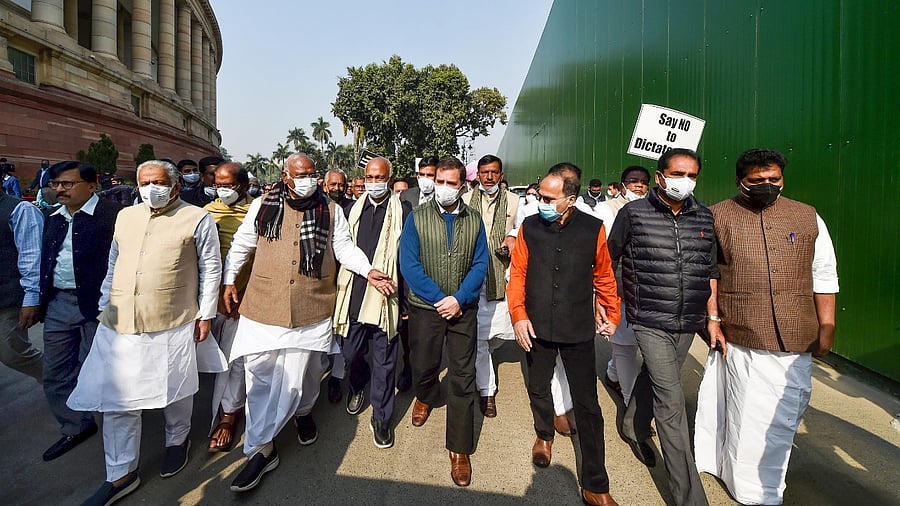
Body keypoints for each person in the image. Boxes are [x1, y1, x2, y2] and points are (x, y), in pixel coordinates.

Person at [223, 153, 394, 492]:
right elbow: (243, 244)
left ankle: (302, 413)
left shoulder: (331, 210)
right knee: (259, 379)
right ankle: (262, 449)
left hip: (310, 308)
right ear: (286, 177)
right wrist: (229, 279)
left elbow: (344, 248)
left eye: (312, 173)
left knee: (304, 377)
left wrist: (368, 270)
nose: (307, 179)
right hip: (262, 308)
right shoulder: (263, 205)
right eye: (300, 174)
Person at [67, 159, 220, 506]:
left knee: (175, 389)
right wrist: (106, 303)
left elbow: (211, 268)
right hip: (119, 321)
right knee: (117, 400)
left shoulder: (196, 218)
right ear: (137, 186)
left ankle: (177, 441)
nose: (153, 188)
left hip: (173, 319)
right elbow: (114, 263)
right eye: (146, 182)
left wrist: (206, 314)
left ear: (176, 185)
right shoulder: (126, 216)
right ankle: (120, 474)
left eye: (160, 181)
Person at [694, 149, 839, 505]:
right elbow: (708, 275)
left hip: (795, 335)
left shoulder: (808, 217)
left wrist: (828, 324)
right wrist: (712, 319)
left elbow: (823, 273)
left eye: (773, 180)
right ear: (739, 181)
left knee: (784, 413)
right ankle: (753, 490)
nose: (767, 186)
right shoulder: (718, 216)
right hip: (741, 333)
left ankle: (762, 483)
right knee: (745, 413)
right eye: (757, 181)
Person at [508, 162, 621, 506]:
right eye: (540, 195)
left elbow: (604, 276)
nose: (540, 201)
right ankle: (544, 435)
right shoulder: (529, 227)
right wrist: (518, 316)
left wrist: (611, 313)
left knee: (588, 405)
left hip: (577, 328)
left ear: (570, 199)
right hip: (536, 326)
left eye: (548, 197)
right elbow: (518, 275)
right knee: (538, 386)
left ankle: (595, 483)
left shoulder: (593, 229)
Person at [607, 148, 715, 506]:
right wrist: (612, 301)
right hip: (649, 317)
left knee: (654, 377)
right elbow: (609, 258)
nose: (685, 181)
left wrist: (711, 319)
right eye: (678, 173)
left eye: (692, 175)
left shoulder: (705, 216)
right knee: (671, 401)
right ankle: (690, 498)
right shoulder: (633, 213)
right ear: (660, 176)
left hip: (688, 319)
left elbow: (711, 271)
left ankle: (632, 424)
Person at [398, 156, 488, 487]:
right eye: (440, 182)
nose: (445, 189)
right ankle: (425, 395)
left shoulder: (474, 220)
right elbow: (409, 264)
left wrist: (459, 298)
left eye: (452, 183)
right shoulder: (417, 219)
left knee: (463, 377)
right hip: (426, 307)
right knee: (423, 365)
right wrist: (439, 298)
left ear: (463, 186)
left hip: (463, 309)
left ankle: (459, 450)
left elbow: (480, 263)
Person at [38, 161, 123, 462]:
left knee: (101, 368)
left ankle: (121, 430)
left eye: (67, 184)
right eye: (55, 184)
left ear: (92, 184)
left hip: (103, 305)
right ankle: (75, 425)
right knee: (56, 370)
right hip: (60, 303)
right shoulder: (53, 218)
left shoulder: (113, 217)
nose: (59, 189)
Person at [333, 157, 412, 448]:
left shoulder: (403, 211)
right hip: (354, 294)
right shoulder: (350, 210)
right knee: (351, 353)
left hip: (387, 298)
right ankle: (357, 384)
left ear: (390, 179)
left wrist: (404, 304)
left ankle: (382, 417)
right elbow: (340, 250)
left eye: (379, 177)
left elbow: (407, 259)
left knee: (386, 361)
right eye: (369, 177)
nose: (373, 182)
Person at [461, 154, 519, 418]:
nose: (489, 177)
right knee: (481, 338)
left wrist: (512, 238)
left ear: (501, 175)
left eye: (494, 172)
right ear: (478, 176)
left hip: (500, 275)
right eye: (484, 173)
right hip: (471, 274)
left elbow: (521, 228)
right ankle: (487, 390)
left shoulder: (516, 202)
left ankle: (484, 358)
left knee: (497, 335)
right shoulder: (464, 200)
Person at [203, 161, 255, 453]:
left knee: (236, 360)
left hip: (243, 300)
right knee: (212, 360)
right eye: (218, 184)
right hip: (211, 301)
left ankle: (229, 415)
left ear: (244, 186)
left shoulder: (259, 213)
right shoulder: (206, 214)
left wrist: (246, 295)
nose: (222, 190)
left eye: (228, 185)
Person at [603, 166, 652, 406]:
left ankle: (613, 375)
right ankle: (628, 400)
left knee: (632, 344)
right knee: (625, 345)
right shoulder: (607, 210)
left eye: (643, 182)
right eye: (633, 181)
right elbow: (606, 252)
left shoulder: (656, 209)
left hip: (650, 289)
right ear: (623, 185)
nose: (639, 185)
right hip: (621, 286)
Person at [0, 183, 43, 381]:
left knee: (13, 353)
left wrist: (31, 297)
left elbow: (32, 256)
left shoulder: (19, 210)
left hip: (7, 297)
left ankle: (60, 379)